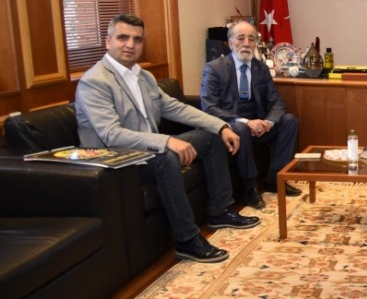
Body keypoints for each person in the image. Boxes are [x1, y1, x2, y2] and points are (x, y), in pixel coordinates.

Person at [75, 14, 259, 264]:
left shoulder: (143, 77)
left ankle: (220, 210)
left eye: (137, 39)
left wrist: (221, 126)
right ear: (108, 42)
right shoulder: (94, 81)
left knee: (211, 137)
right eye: (123, 38)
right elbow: (111, 134)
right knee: (166, 157)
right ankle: (187, 239)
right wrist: (166, 141)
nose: (130, 44)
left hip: (148, 149)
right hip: (116, 160)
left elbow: (176, 108)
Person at [201, 20, 301, 209]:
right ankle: (250, 188)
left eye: (251, 39)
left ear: (256, 44)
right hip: (231, 124)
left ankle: (275, 179)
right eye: (241, 38)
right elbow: (209, 107)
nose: (246, 43)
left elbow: (276, 102)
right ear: (230, 43)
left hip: (259, 125)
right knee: (241, 128)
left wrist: (268, 122)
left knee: (290, 121)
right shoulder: (214, 68)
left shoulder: (260, 68)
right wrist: (246, 122)